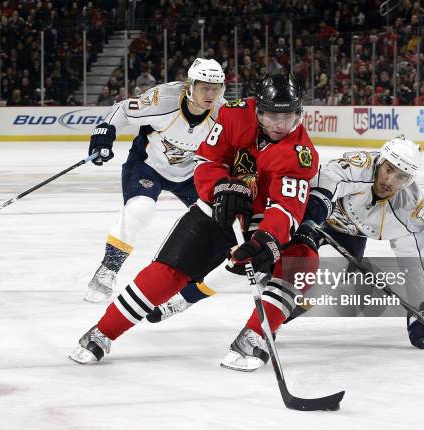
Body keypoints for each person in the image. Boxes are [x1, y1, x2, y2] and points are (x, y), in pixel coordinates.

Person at [70, 73, 319, 364]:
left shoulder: (300, 153)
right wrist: (220, 187)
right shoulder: (234, 114)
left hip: (262, 220)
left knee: (302, 260)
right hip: (218, 206)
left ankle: (254, 335)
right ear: (257, 110)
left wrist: (267, 239)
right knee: (169, 271)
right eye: (271, 116)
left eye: (287, 117)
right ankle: (103, 332)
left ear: (299, 114)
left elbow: (287, 207)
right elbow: (208, 160)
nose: (279, 125)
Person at [149, 136, 424, 371]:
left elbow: (417, 264)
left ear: (410, 180)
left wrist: (422, 312)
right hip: (313, 216)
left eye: (401, 177)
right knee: (252, 264)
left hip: (349, 235)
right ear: (381, 162)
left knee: (310, 290)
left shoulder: (410, 211)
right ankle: (184, 298)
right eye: (389, 170)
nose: (390, 181)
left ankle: (263, 327)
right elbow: (324, 186)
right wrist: (308, 222)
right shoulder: (358, 166)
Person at [83, 58, 226, 302]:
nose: (211, 94)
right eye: (204, 87)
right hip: (147, 166)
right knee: (141, 209)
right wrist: (103, 135)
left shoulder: (223, 113)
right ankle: (108, 269)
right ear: (190, 86)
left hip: (192, 174)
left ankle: (236, 269)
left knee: (220, 219)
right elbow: (123, 110)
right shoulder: (163, 100)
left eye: (217, 88)